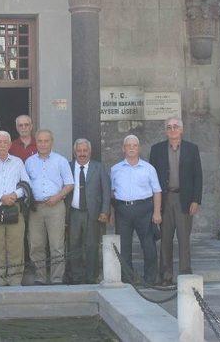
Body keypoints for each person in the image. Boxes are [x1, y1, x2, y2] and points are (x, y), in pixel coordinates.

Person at [149, 117, 203, 285]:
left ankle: (185, 273)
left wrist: (196, 200)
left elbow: (198, 176)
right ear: (166, 131)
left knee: (184, 237)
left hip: (184, 199)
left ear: (181, 130)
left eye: (176, 127)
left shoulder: (191, 149)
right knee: (165, 238)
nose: (172, 130)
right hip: (165, 199)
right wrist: (154, 205)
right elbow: (151, 178)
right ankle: (166, 275)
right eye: (169, 127)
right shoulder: (157, 150)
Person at [0, 131, 30, 286]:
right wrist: (1, 197)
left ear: (9, 145)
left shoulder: (18, 162)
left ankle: (15, 280)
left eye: (5, 142)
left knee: (15, 245)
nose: (2, 145)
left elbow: (26, 184)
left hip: (14, 206)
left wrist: (14, 195)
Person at [110, 135, 162, 285]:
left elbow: (157, 191)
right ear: (123, 148)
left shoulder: (149, 169)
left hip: (144, 210)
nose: (131, 148)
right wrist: (112, 213)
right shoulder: (115, 169)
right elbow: (112, 192)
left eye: (134, 145)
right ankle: (127, 278)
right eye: (128, 145)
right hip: (122, 210)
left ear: (139, 148)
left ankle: (150, 279)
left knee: (148, 245)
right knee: (124, 246)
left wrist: (157, 212)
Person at [25, 129, 74, 285]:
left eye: (46, 141)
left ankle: (56, 278)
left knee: (57, 245)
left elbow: (69, 184)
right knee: (36, 244)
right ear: (36, 142)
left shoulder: (61, 161)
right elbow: (25, 184)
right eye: (40, 141)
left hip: (56, 207)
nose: (43, 144)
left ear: (51, 142)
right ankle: (40, 277)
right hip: (36, 209)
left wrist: (57, 197)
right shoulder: (29, 161)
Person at [65, 139, 110, 284]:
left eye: (85, 151)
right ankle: (76, 277)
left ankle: (91, 277)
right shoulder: (68, 167)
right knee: (73, 245)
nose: (82, 154)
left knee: (92, 245)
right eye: (79, 151)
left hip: (94, 213)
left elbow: (106, 191)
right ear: (74, 152)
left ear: (90, 152)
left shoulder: (99, 167)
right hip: (74, 213)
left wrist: (105, 211)